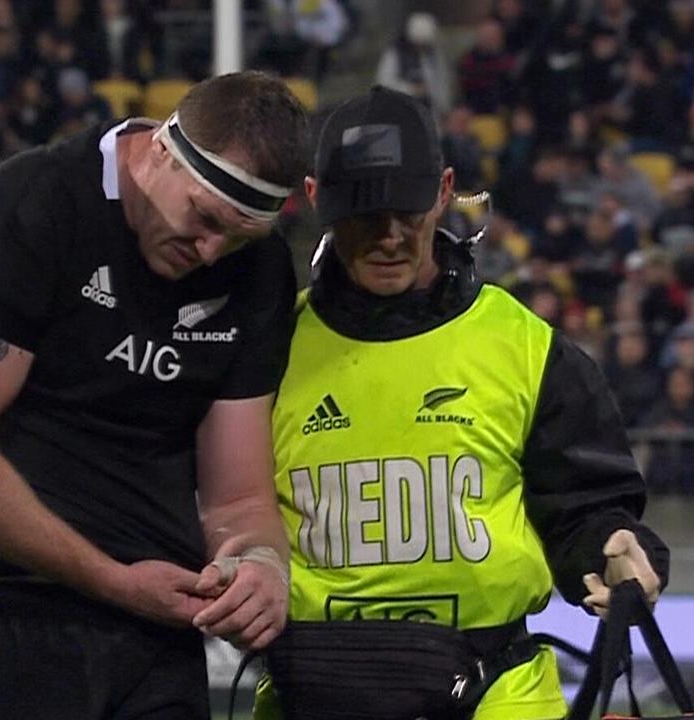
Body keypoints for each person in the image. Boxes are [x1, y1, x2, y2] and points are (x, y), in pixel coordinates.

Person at [0, 71, 308, 720]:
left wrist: (258, 567)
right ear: (162, 149)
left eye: (239, 237)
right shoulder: (30, 208)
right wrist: (113, 581)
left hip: (153, 635)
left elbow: (241, 498)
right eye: (204, 218)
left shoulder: (258, 273)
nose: (210, 251)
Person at [255, 87, 669, 720]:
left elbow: (586, 506)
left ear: (445, 191)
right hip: (313, 690)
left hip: (496, 692)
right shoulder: (267, 351)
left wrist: (616, 545)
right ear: (315, 199)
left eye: (409, 213)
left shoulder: (526, 347)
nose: (390, 237)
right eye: (366, 216)